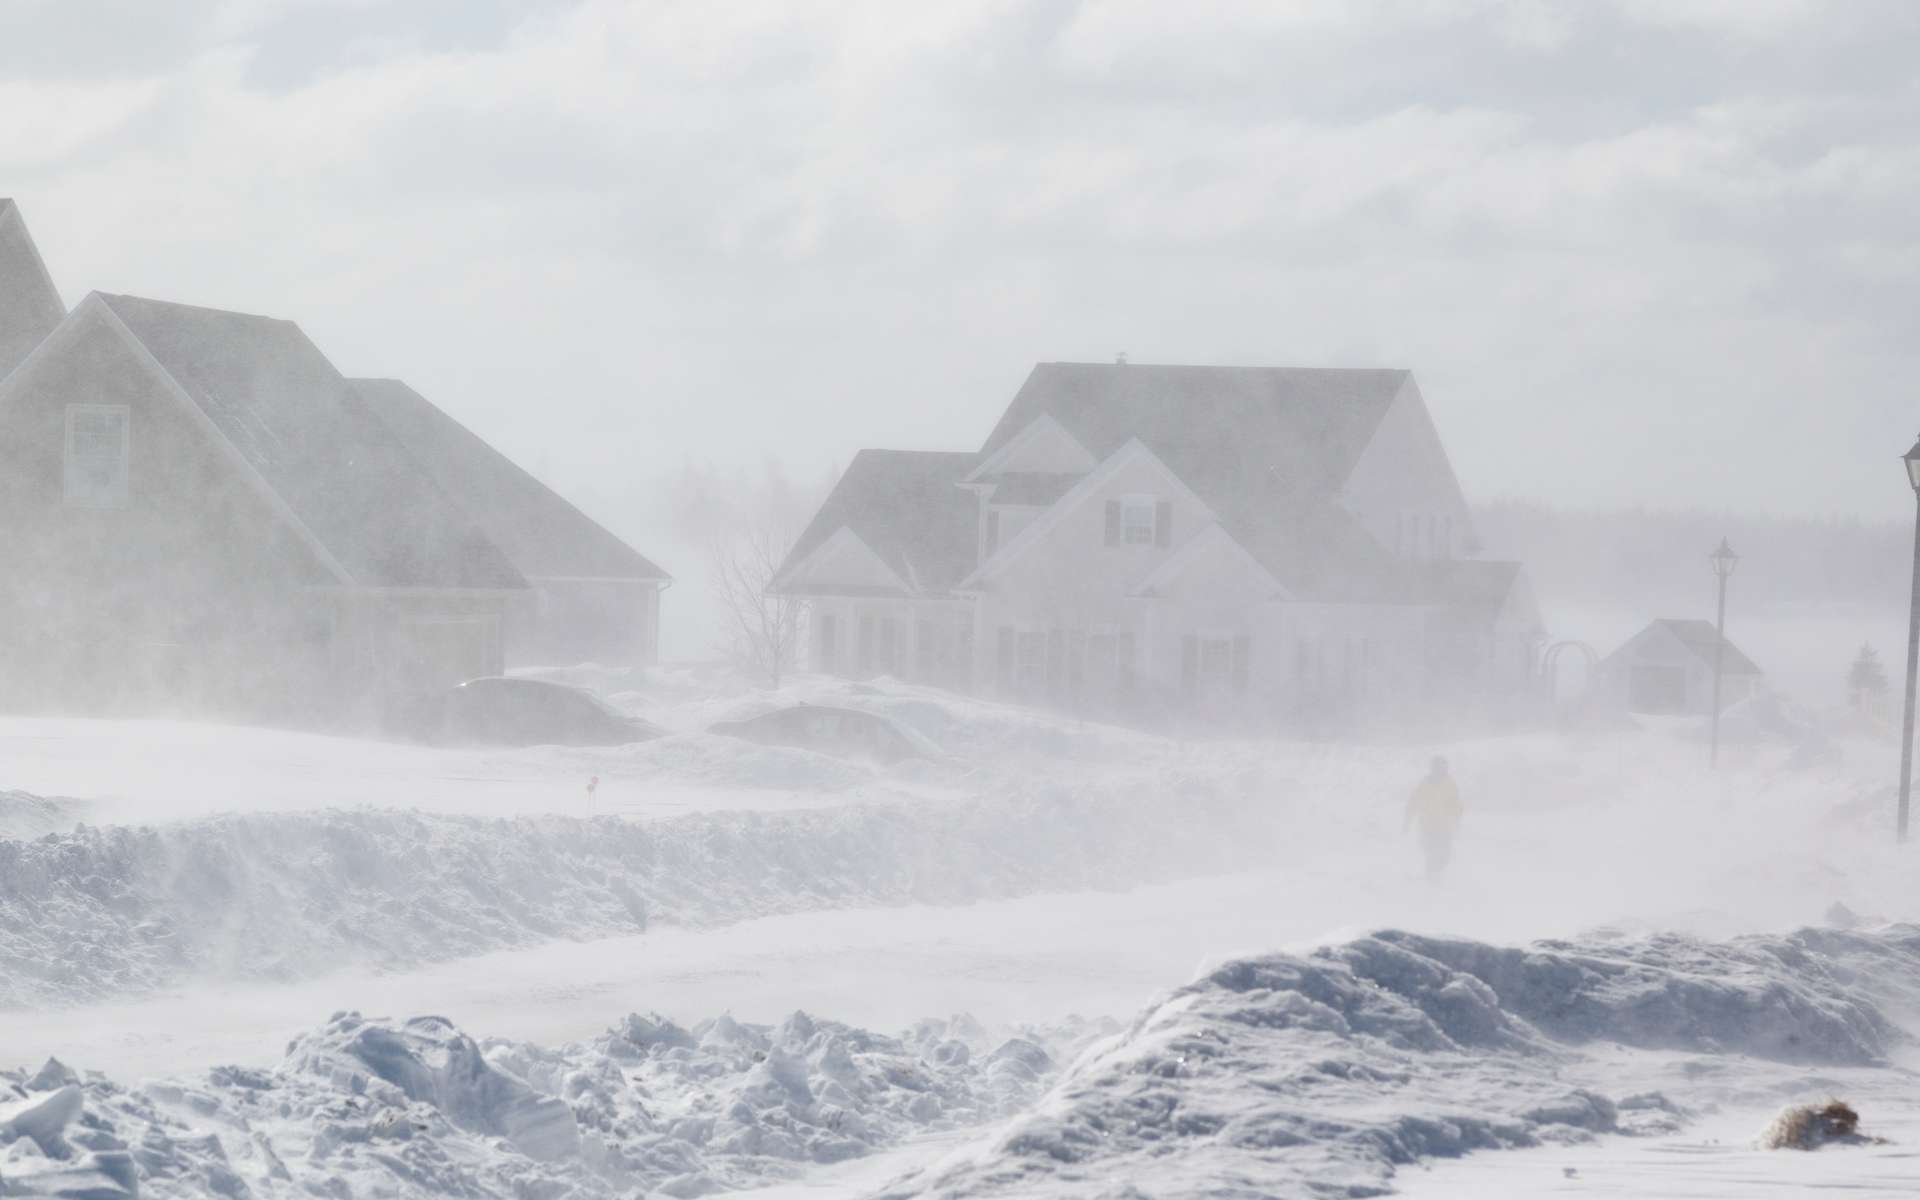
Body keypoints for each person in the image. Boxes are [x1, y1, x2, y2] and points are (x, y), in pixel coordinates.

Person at [1403, 756, 1463, 883]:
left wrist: (1457, 819)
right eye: (1438, 767)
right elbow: (1413, 802)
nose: (1441, 769)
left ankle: (1436, 874)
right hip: (1427, 826)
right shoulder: (1424, 784)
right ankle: (1431, 879)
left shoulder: (1450, 783)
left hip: (1444, 827)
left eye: (1443, 766)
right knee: (1431, 853)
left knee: (1445, 855)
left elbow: (1456, 803)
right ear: (1433, 768)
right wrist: (1407, 820)